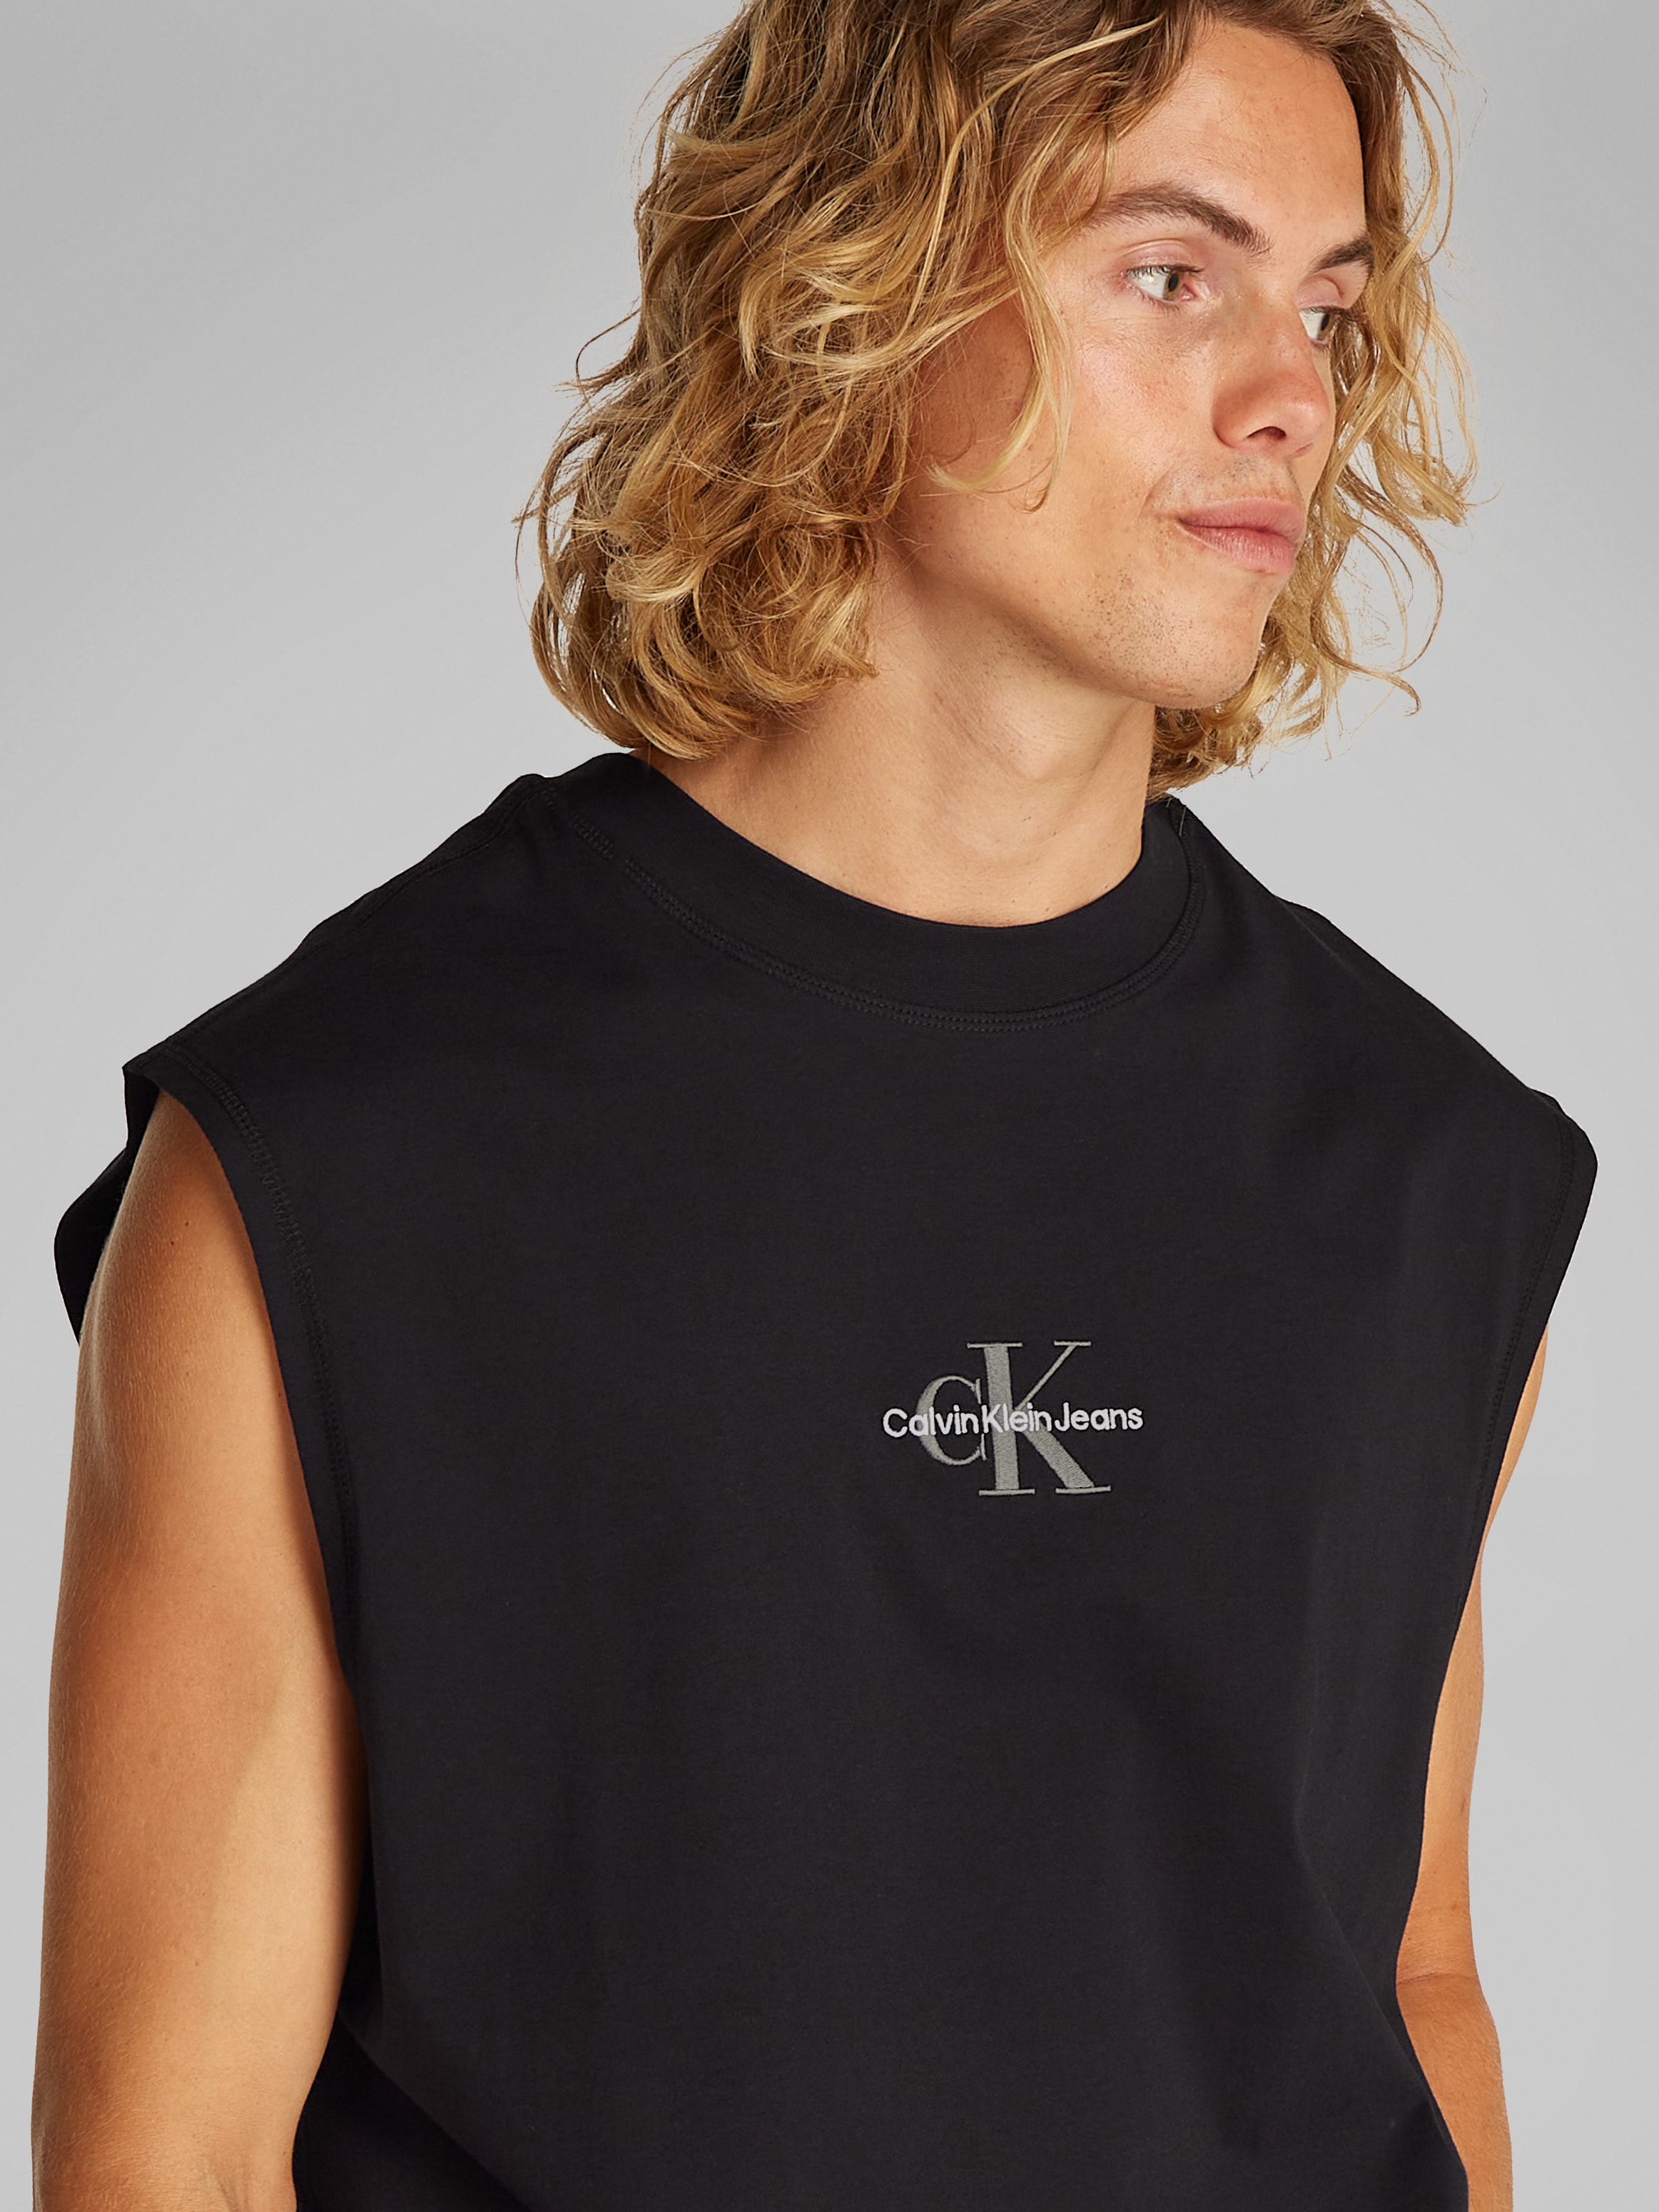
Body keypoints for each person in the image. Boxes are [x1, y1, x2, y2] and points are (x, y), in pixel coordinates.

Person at [34, 2, 1595, 2208]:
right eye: (1173, 273)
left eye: (1328, 307)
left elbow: (1406, 1979)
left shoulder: (1429, 1168)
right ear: (861, 282)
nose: (1294, 396)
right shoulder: (330, 1158)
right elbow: (166, 2148)